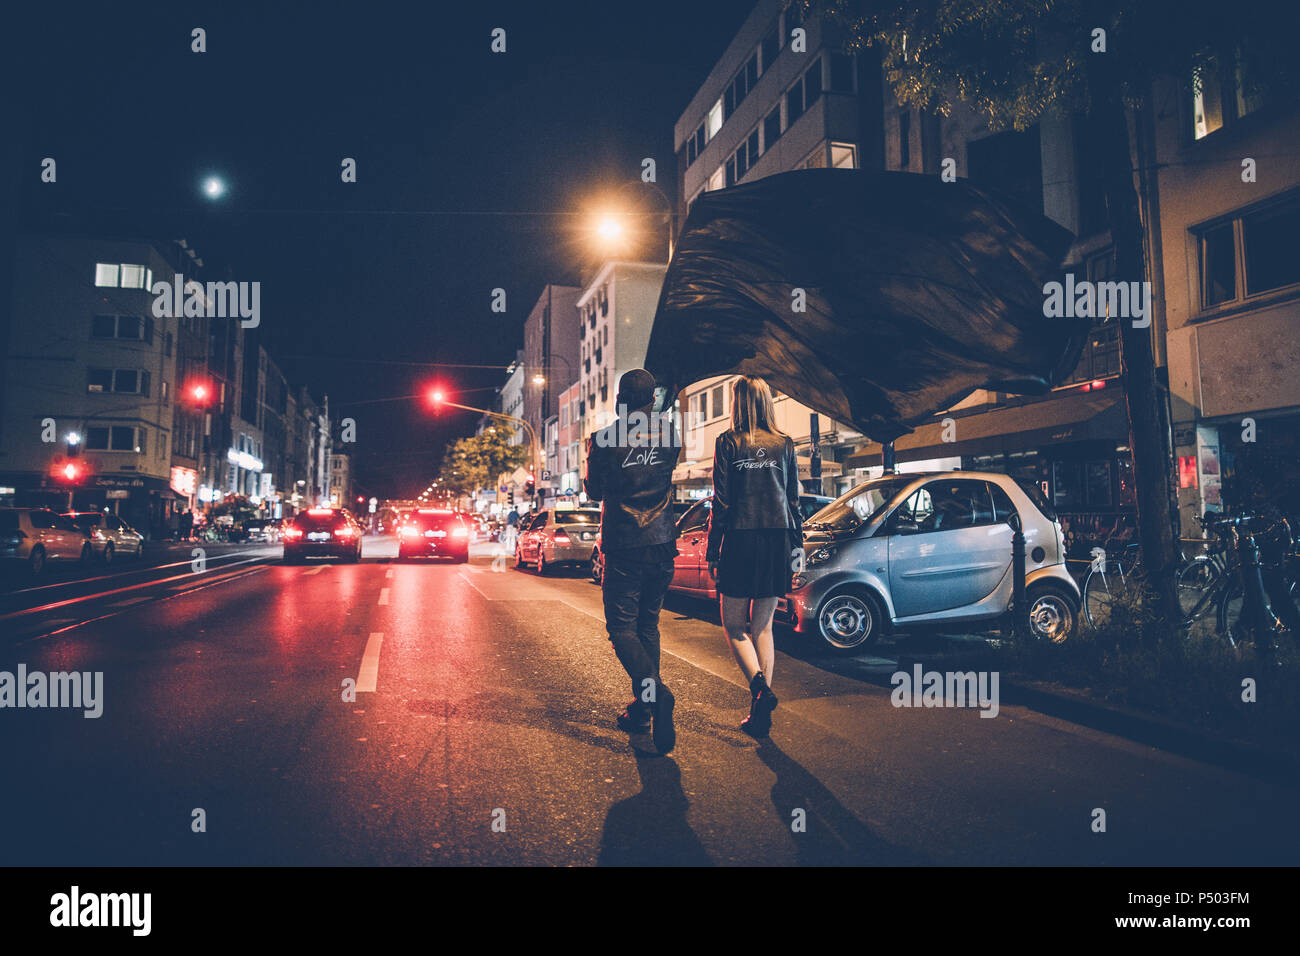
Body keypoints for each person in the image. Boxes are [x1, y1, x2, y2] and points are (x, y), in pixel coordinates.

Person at [585, 369, 683, 754]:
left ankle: (657, 697)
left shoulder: (605, 438)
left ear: (619, 399)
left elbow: (595, 490)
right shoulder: (671, 435)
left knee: (622, 629)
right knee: (648, 626)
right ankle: (643, 711)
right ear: (652, 400)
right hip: (662, 541)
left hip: (625, 542)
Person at [706, 376, 801, 738]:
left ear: (738, 402)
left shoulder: (728, 443)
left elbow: (722, 503)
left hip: (740, 539)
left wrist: (714, 550)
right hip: (777, 539)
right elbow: (794, 503)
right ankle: (760, 713)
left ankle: (760, 688)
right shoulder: (785, 444)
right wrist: (796, 551)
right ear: (767, 402)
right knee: (763, 626)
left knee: (733, 625)